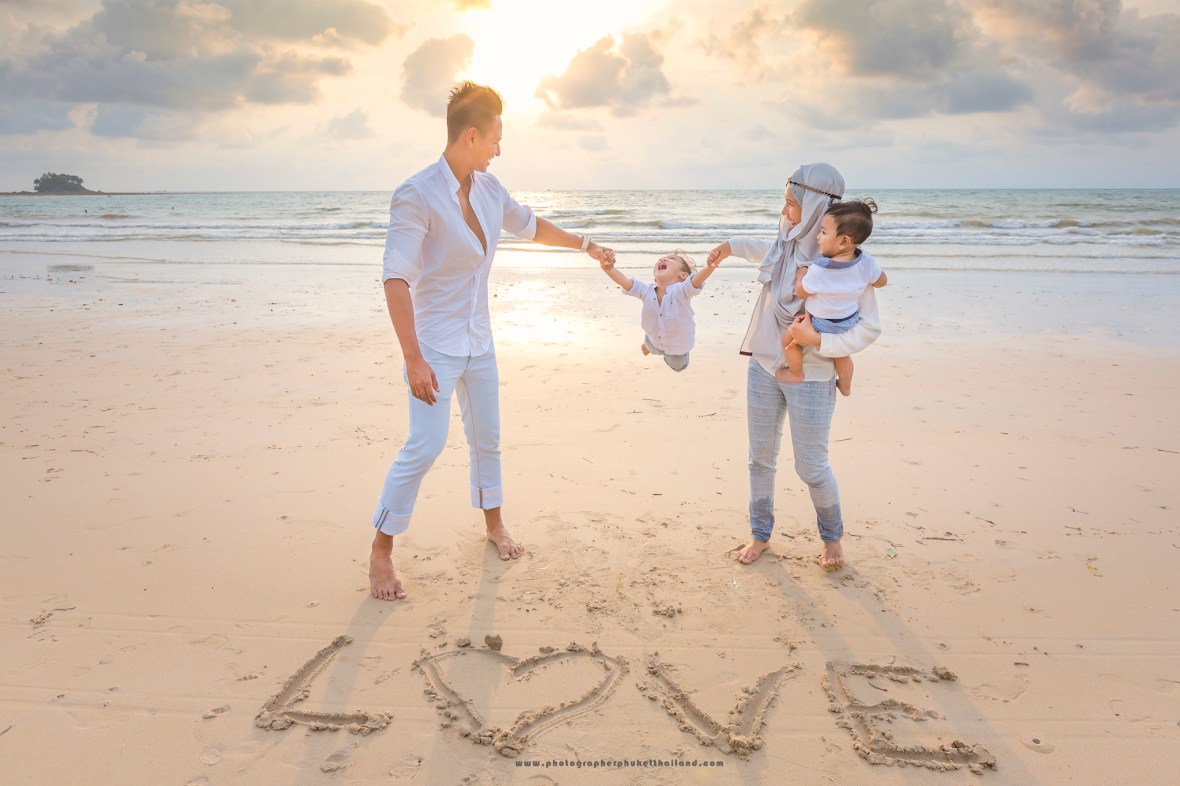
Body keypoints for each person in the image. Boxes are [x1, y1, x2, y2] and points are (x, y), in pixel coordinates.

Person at [369, 82, 614, 601]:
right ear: (473, 135)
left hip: (479, 340)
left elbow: (531, 227)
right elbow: (395, 278)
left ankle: (494, 525)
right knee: (427, 443)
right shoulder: (416, 194)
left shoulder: (489, 189)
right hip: (433, 345)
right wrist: (413, 358)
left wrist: (587, 245)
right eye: (497, 139)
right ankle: (382, 550)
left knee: (488, 437)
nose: (501, 150)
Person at [706, 164, 880, 570]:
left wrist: (819, 341)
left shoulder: (847, 265)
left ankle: (832, 538)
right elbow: (762, 249)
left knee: (812, 466)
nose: (784, 211)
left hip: (814, 376)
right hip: (765, 367)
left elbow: (869, 326)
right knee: (759, 457)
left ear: (818, 205)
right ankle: (760, 534)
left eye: (791, 204)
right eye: (784, 202)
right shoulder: (786, 244)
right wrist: (728, 245)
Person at [778, 199, 887, 396]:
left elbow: (802, 292)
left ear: (843, 241)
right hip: (847, 322)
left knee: (787, 340)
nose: (818, 237)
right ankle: (845, 387)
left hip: (821, 323)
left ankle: (795, 373)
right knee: (842, 356)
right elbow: (881, 281)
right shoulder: (866, 262)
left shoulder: (821, 269)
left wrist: (801, 273)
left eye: (823, 232)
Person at [599, 250, 720, 372]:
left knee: (677, 366)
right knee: (652, 347)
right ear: (655, 279)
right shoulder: (646, 290)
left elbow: (696, 281)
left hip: (678, 348)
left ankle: (677, 356)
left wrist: (709, 267)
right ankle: (648, 345)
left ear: (683, 276)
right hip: (654, 340)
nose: (662, 259)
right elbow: (625, 282)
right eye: (661, 258)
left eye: (671, 259)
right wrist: (610, 270)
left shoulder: (683, 291)